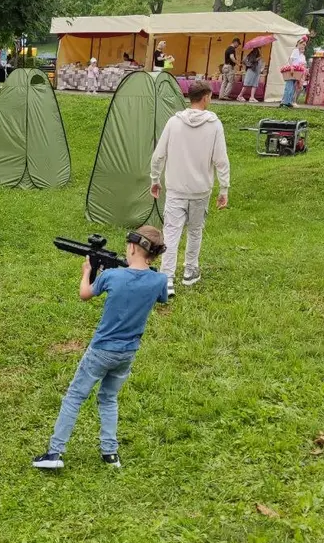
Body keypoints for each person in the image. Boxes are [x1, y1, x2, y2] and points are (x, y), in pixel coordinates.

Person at [32, 227, 169, 470]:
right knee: (108, 398)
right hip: (128, 353)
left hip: (101, 349)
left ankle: (54, 452)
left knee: (74, 396)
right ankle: (110, 453)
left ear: (132, 247)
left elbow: (85, 294)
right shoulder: (159, 280)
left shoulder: (112, 277)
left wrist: (87, 272)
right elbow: (161, 297)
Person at [150, 80, 230, 297]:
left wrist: (155, 179)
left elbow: (159, 155)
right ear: (205, 97)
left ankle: (166, 278)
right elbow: (221, 160)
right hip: (200, 190)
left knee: (171, 232)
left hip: (176, 189)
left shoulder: (174, 123)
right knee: (195, 231)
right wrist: (224, 189)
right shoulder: (214, 125)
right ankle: (190, 270)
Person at [280, 37, 309, 108]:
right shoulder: (296, 51)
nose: (303, 46)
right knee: (289, 86)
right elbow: (290, 59)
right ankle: (285, 102)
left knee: (293, 87)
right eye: (302, 44)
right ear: (298, 44)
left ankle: (289, 101)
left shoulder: (301, 55)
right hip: (293, 70)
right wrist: (292, 67)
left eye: (304, 45)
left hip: (298, 72)